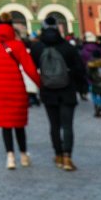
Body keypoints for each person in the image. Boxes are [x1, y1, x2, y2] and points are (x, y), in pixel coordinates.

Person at [0, 21, 39, 170]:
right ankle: (24, 155)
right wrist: (40, 84)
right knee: (19, 124)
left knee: (5, 125)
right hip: (16, 88)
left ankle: (10, 157)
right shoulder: (18, 45)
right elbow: (29, 67)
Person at [32, 21, 88, 171]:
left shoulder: (37, 48)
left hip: (48, 91)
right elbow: (79, 69)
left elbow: (32, 69)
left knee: (54, 126)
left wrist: (41, 83)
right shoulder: (67, 47)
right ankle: (68, 158)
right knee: (67, 126)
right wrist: (80, 86)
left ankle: (58, 155)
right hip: (67, 90)